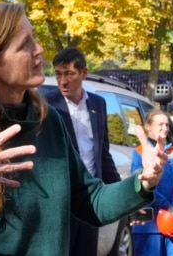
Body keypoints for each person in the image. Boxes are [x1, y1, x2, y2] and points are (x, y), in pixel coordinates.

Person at [0, 2, 167, 255]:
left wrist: (142, 182)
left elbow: (91, 201)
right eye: (25, 44)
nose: (39, 49)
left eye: (33, 37)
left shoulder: (50, 122)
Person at [43, 47, 122, 255]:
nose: (63, 81)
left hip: (90, 199)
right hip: (61, 201)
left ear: (83, 73)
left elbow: (103, 156)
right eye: (58, 74)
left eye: (69, 73)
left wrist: (122, 195)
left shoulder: (98, 104)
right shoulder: (46, 104)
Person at [130, 109, 173, 256]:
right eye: (160, 124)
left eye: (167, 125)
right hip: (148, 221)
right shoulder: (139, 152)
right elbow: (141, 184)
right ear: (148, 127)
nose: (165, 128)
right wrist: (165, 205)